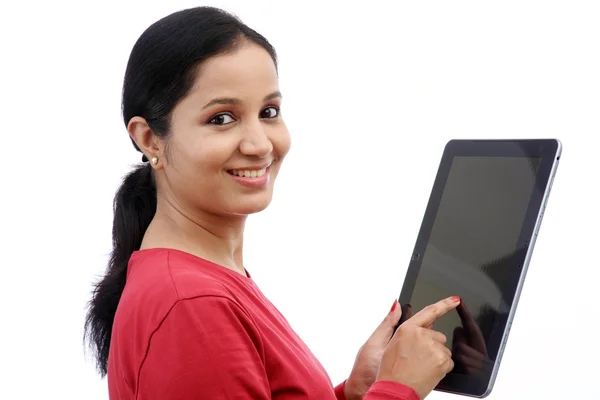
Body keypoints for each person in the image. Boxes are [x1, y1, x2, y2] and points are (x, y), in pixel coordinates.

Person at [84, 6, 460, 400]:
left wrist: (356, 391)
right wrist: (398, 390)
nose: (260, 144)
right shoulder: (191, 305)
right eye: (222, 118)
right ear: (149, 139)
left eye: (268, 112)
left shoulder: (204, 281)